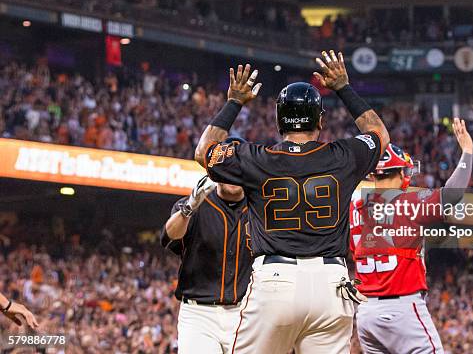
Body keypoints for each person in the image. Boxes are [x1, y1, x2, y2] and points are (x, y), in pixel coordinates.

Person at [193, 50, 389, 354]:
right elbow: (378, 134)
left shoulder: (257, 159)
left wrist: (234, 102)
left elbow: (204, 150)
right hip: (331, 283)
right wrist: (343, 87)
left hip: (275, 280)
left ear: (278, 121)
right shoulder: (343, 156)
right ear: (321, 120)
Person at [350, 118, 473, 354]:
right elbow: (453, 194)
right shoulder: (408, 202)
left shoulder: (354, 207)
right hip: (401, 308)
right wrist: (467, 151)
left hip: (366, 314)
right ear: (399, 172)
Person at [161, 145, 252, 354]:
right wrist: (189, 207)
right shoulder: (195, 204)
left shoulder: (259, 209)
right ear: (215, 173)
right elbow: (169, 236)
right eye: (227, 170)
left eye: (238, 170)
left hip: (244, 313)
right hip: (199, 314)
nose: (233, 176)